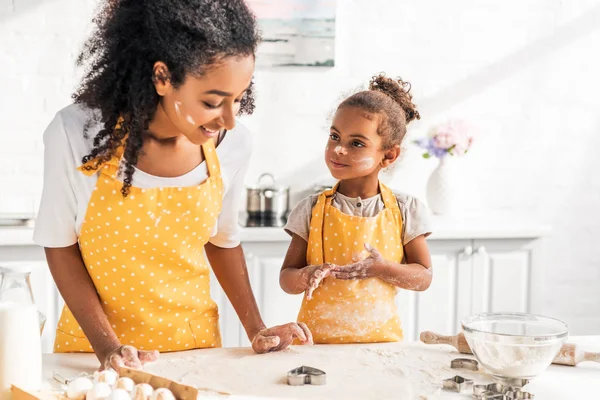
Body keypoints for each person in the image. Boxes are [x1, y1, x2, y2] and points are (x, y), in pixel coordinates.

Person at [33, 0, 312, 371]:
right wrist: (108, 349)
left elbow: (223, 242)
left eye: (239, 98)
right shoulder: (76, 134)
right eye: (213, 102)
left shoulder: (234, 144)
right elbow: (60, 246)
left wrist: (257, 329)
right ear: (163, 77)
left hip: (195, 352)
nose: (229, 119)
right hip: (91, 355)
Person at [280, 74, 433, 343]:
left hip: (382, 345)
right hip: (317, 344)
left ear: (388, 155)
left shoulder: (405, 210)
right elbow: (287, 279)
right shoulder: (311, 209)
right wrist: (307, 274)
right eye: (334, 136)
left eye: (356, 143)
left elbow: (423, 278)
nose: (338, 149)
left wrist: (382, 268)